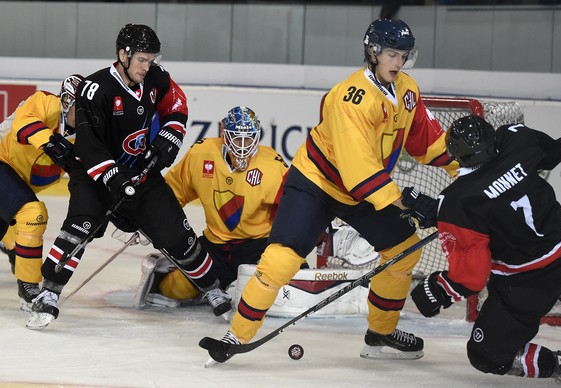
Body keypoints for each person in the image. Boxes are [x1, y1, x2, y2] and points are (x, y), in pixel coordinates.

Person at [205, 18, 458, 363]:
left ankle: (380, 332)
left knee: (405, 250)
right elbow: (359, 169)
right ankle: (237, 334)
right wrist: (405, 201)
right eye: (392, 55)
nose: (398, 63)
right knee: (281, 259)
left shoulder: (407, 91)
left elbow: (427, 143)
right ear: (373, 53)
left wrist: (472, 167)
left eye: (404, 56)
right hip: (317, 183)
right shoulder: (350, 97)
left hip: (364, 191)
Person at [27, 24, 231, 329]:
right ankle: (49, 293)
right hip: (95, 176)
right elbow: (89, 143)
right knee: (78, 228)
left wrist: (170, 135)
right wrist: (113, 177)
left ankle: (212, 289)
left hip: (140, 174)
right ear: (123, 54)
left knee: (178, 236)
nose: (147, 66)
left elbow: (176, 104)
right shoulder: (95, 89)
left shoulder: (155, 78)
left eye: (150, 60)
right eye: (141, 60)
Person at [411, 115, 561, 383]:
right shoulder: (517, 140)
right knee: (560, 278)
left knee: (486, 354)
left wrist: (439, 289)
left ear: (455, 153)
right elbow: (554, 154)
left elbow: (472, 277)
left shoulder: (458, 203)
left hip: (528, 278)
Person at [135, 106, 288, 309]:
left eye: (248, 138)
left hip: (258, 247)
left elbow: (290, 210)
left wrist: (286, 251)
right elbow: (173, 192)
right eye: (237, 138)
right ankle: (163, 273)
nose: (243, 146)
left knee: (287, 287)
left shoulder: (272, 165)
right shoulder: (202, 153)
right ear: (224, 135)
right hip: (215, 246)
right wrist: (151, 219)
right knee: (178, 289)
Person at [0, 74, 82, 311]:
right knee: (32, 214)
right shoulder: (46, 102)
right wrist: (52, 142)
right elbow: (23, 125)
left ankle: (11, 243)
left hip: (16, 184)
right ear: (66, 101)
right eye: (82, 107)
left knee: (22, 215)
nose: (88, 113)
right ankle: (29, 287)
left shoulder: (86, 132)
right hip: (2, 162)